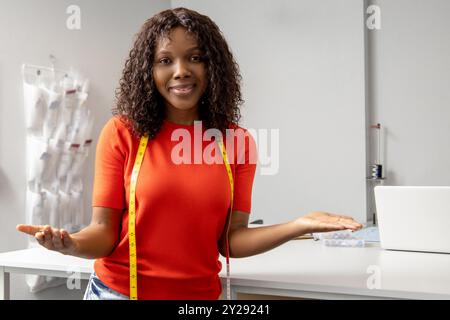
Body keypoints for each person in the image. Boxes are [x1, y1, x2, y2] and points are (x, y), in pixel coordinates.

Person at [17, 7, 362, 300]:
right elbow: (103, 232)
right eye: (165, 60)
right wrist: (71, 244)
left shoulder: (235, 142)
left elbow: (231, 241)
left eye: (195, 57)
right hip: (120, 292)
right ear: (149, 72)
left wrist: (298, 224)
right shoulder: (123, 133)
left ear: (214, 67)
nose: (181, 70)